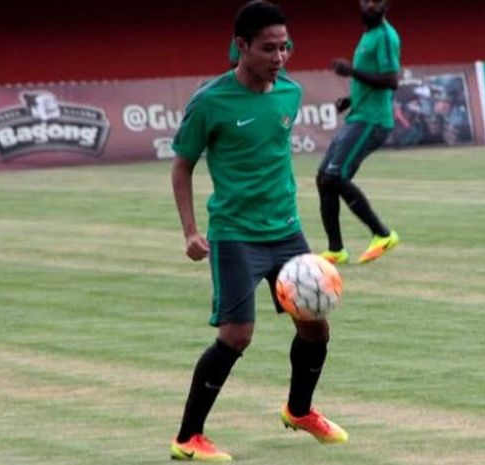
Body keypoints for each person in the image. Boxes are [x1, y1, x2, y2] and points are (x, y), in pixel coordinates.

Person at [169, 1, 348, 461]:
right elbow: (182, 164)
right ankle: (189, 437)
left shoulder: (290, 92)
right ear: (241, 46)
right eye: (269, 48)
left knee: (316, 328)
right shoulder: (210, 102)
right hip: (235, 234)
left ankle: (299, 410)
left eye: (285, 46)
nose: (280, 56)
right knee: (236, 335)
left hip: (287, 232)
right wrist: (190, 231)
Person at [317, 0, 401, 264]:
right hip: (359, 116)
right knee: (324, 178)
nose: (369, 6)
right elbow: (372, 79)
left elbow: (391, 80)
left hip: (373, 121)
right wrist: (350, 99)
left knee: (334, 175)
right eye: (365, 1)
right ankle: (336, 250)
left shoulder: (386, 36)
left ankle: (383, 235)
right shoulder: (369, 35)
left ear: (385, 5)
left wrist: (350, 71)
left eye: (375, 2)